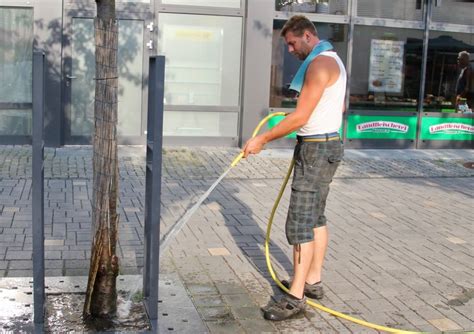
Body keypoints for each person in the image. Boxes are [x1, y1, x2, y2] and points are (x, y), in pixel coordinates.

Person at [242, 15, 346, 321]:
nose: (289, 50)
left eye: (292, 43)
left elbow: (300, 118)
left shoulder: (318, 65)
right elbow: (334, 107)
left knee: (300, 221)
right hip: (329, 144)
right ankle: (313, 280)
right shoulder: (334, 60)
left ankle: (296, 296)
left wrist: (262, 138)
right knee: (316, 216)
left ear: (308, 36)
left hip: (315, 149)